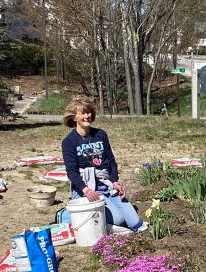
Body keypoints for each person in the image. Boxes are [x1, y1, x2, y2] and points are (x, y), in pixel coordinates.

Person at [61, 96, 146, 232]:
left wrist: (115, 182)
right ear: (74, 117)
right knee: (119, 220)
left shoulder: (101, 135)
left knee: (134, 221)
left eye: (88, 112)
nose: (87, 116)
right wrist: (86, 190)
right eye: (82, 113)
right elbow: (72, 172)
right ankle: (65, 216)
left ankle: (106, 208)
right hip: (87, 188)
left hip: (105, 185)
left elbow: (111, 161)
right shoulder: (69, 142)